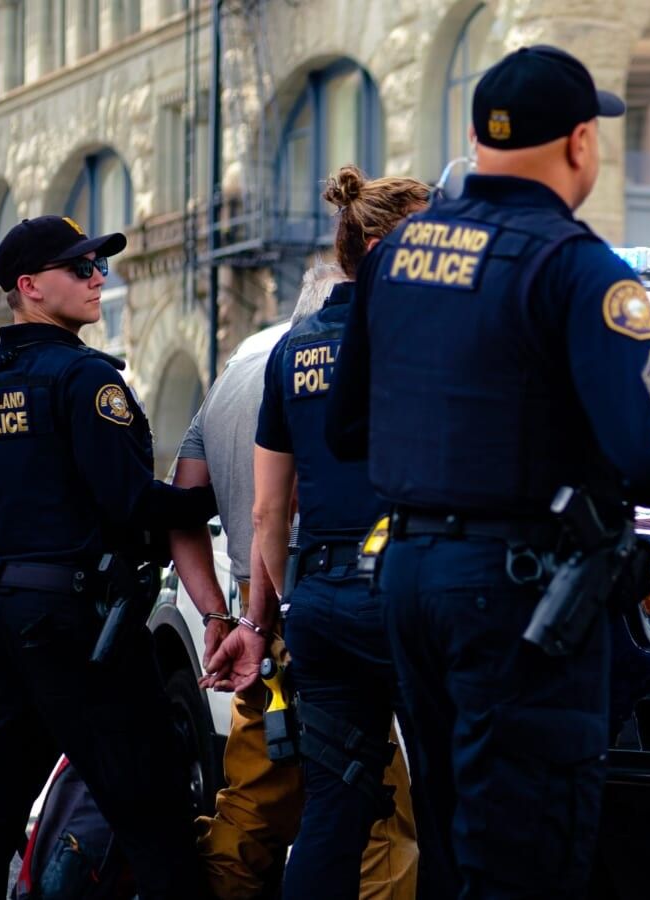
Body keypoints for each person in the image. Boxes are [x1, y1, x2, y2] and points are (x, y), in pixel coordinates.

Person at [325, 45, 650, 897]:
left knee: (454, 840)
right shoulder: (579, 267)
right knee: (529, 850)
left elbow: (348, 428)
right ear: (578, 144)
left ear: (475, 136)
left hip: (412, 579)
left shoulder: (400, 254)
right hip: (521, 593)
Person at [0, 216, 218, 899]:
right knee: (152, 809)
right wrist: (218, 490)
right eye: (80, 269)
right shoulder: (86, 381)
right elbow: (134, 506)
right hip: (82, 630)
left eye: (100, 267)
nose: (98, 280)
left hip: (1, 620)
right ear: (29, 287)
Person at [172, 255, 418, 899]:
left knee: (253, 794)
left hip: (261, 607)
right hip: (319, 592)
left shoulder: (234, 376)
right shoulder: (335, 370)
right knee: (377, 810)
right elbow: (280, 509)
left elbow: (180, 507)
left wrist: (222, 616)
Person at [239, 166, 430, 899]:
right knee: (447, 799)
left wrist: (266, 617)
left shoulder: (293, 350)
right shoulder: (418, 338)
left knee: (335, 802)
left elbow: (267, 512)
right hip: (414, 590)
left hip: (320, 600)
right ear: (384, 244)